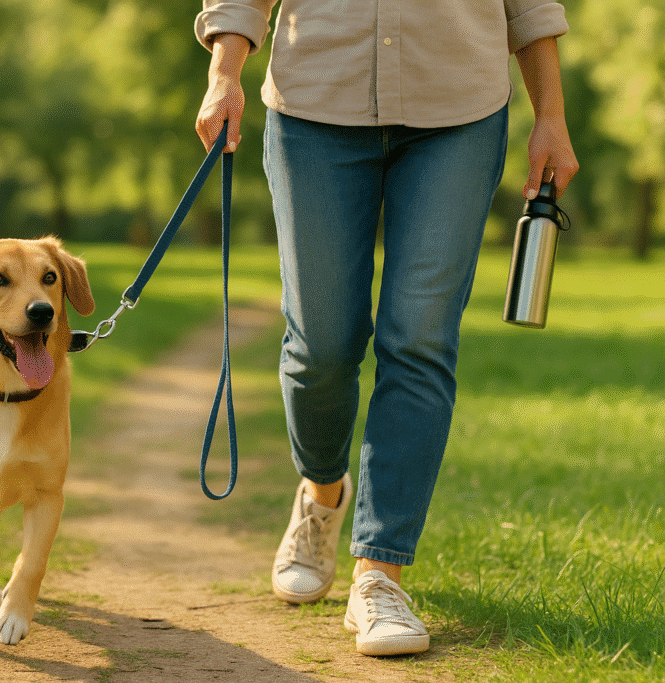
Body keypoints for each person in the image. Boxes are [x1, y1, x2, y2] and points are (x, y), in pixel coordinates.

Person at [194, 0, 578, 657]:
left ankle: (380, 572)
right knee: (320, 343)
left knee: (420, 337)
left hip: (457, 108)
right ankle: (321, 493)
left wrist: (552, 114)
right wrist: (224, 71)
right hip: (316, 100)